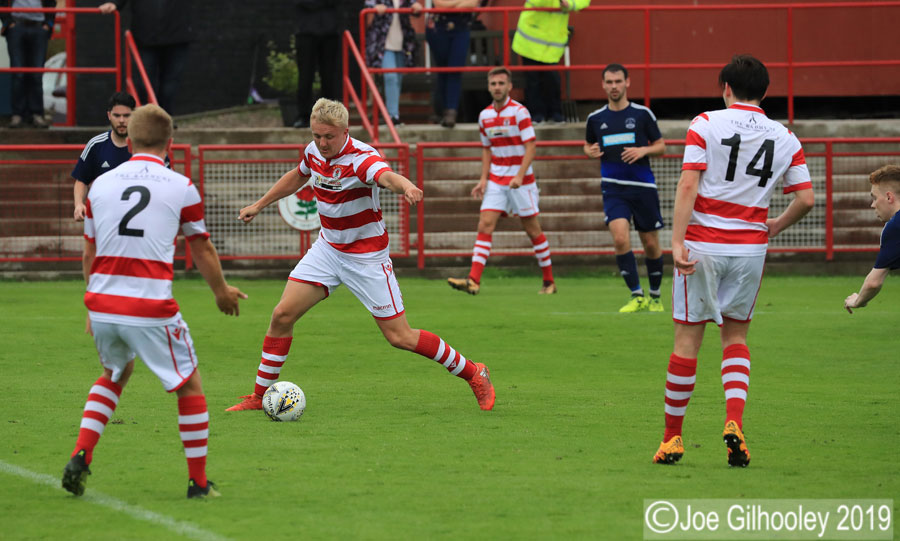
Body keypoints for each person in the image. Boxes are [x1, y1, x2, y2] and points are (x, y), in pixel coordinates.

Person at [226, 98, 495, 413]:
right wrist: (259, 204)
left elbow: (386, 175)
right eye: (317, 136)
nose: (322, 143)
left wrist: (407, 187)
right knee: (282, 315)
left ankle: (474, 373)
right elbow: (298, 175)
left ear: (345, 131)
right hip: (328, 250)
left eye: (329, 136)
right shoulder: (314, 152)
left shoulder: (362, 159)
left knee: (400, 336)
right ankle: (259, 397)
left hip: (367, 258)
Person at [61, 104, 247, 499]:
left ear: (129, 141)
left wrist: (91, 305)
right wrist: (221, 292)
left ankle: (81, 453)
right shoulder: (181, 187)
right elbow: (201, 247)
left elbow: (89, 253)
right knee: (189, 385)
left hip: (103, 302)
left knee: (114, 374)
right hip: (149, 305)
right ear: (170, 143)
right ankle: (198, 483)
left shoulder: (100, 187)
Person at [652, 55, 815, 467]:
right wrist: (773, 226)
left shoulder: (706, 123)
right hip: (749, 249)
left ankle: (672, 439)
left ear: (725, 87)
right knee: (736, 337)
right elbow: (807, 198)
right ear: (765, 91)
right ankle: (734, 422)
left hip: (703, 244)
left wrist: (676, 241)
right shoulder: (786, 137)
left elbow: (688, 183)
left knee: (687, 341)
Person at [447, 66, 556, 295]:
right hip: (497, 179)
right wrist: (483, 179)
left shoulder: (520, 112)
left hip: (521, 181)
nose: (497, 87)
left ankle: (549, 281)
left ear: (509, 86)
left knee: (532, 229)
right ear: (488, 87)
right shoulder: (484, 116)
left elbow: (531, 146)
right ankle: (473, 280)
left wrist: (520, 175)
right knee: (485, 224)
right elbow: (487, 149)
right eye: (493, 84)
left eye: (501, 83)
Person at [583, 64, 667, 313]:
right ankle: (636, 295)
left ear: (627, 82)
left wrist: (643, 150)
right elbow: (588, 145)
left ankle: (655, 296)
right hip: (613, 188)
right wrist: (589, 151)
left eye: (618, 81)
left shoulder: (642, 114)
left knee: (650, 243)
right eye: (609, 82)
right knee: (620, 238)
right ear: (603, 85)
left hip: (642, 186)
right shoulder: (595, 118)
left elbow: (661, 146)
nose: (614, 86)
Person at [99, 1, 192, 115]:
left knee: (169, 87)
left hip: (176, 37)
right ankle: (149, 119)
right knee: (145, 85)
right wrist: (115, 3)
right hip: (146, 37)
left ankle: (163, 119)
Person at [510, 0, 587, 124]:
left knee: (552, 79)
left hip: (551, 43)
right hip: (530, 41)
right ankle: (536, 115)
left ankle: (555, 113)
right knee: (533, 81)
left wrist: (569, 3)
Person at [72, 92, 137, 221]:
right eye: (117, 115)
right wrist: (78, 204)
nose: (121, 120)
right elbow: (81, 180)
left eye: (126, 115)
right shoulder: (96, 145)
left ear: (134, 116)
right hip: (104, 220)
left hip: (138, 220)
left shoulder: (146, 145)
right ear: (109, 115)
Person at [844, 164, 900, 313]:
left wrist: (857, 301)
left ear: (889, 197)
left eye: (875, 198)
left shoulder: (895, 227)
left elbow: (873, 283)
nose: (872, 205)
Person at [364, 0, 422, 125]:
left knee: (397, 80)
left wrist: (416, 6)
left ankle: (393, 113)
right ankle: (392, 116)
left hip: (402, 42)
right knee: (391, 77)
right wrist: (375, 7)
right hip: (383, 43)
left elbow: (415, 8)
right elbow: (368, 4)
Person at [0, 0, 55, 128]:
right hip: (17, 26)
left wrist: (48, 24)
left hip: (38, 27)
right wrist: (8, 23)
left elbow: (52, 3)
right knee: (18, 73)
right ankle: (17, 114)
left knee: (36, 74)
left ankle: (36, 114)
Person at [425, 0, 478, 128]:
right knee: (443, 71)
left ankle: (451, 112)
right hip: (438, 28)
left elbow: (473, 3)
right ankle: (442, 111)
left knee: (455, 70)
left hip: (461, 27)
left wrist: (450, 4)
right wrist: (460, 3)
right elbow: (439, 4)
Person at [291, 0, 342, 129]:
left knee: (329, 76)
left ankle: (329, 116)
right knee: (306, 76)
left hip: (330, 32)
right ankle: (303, 116)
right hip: (306, 32)